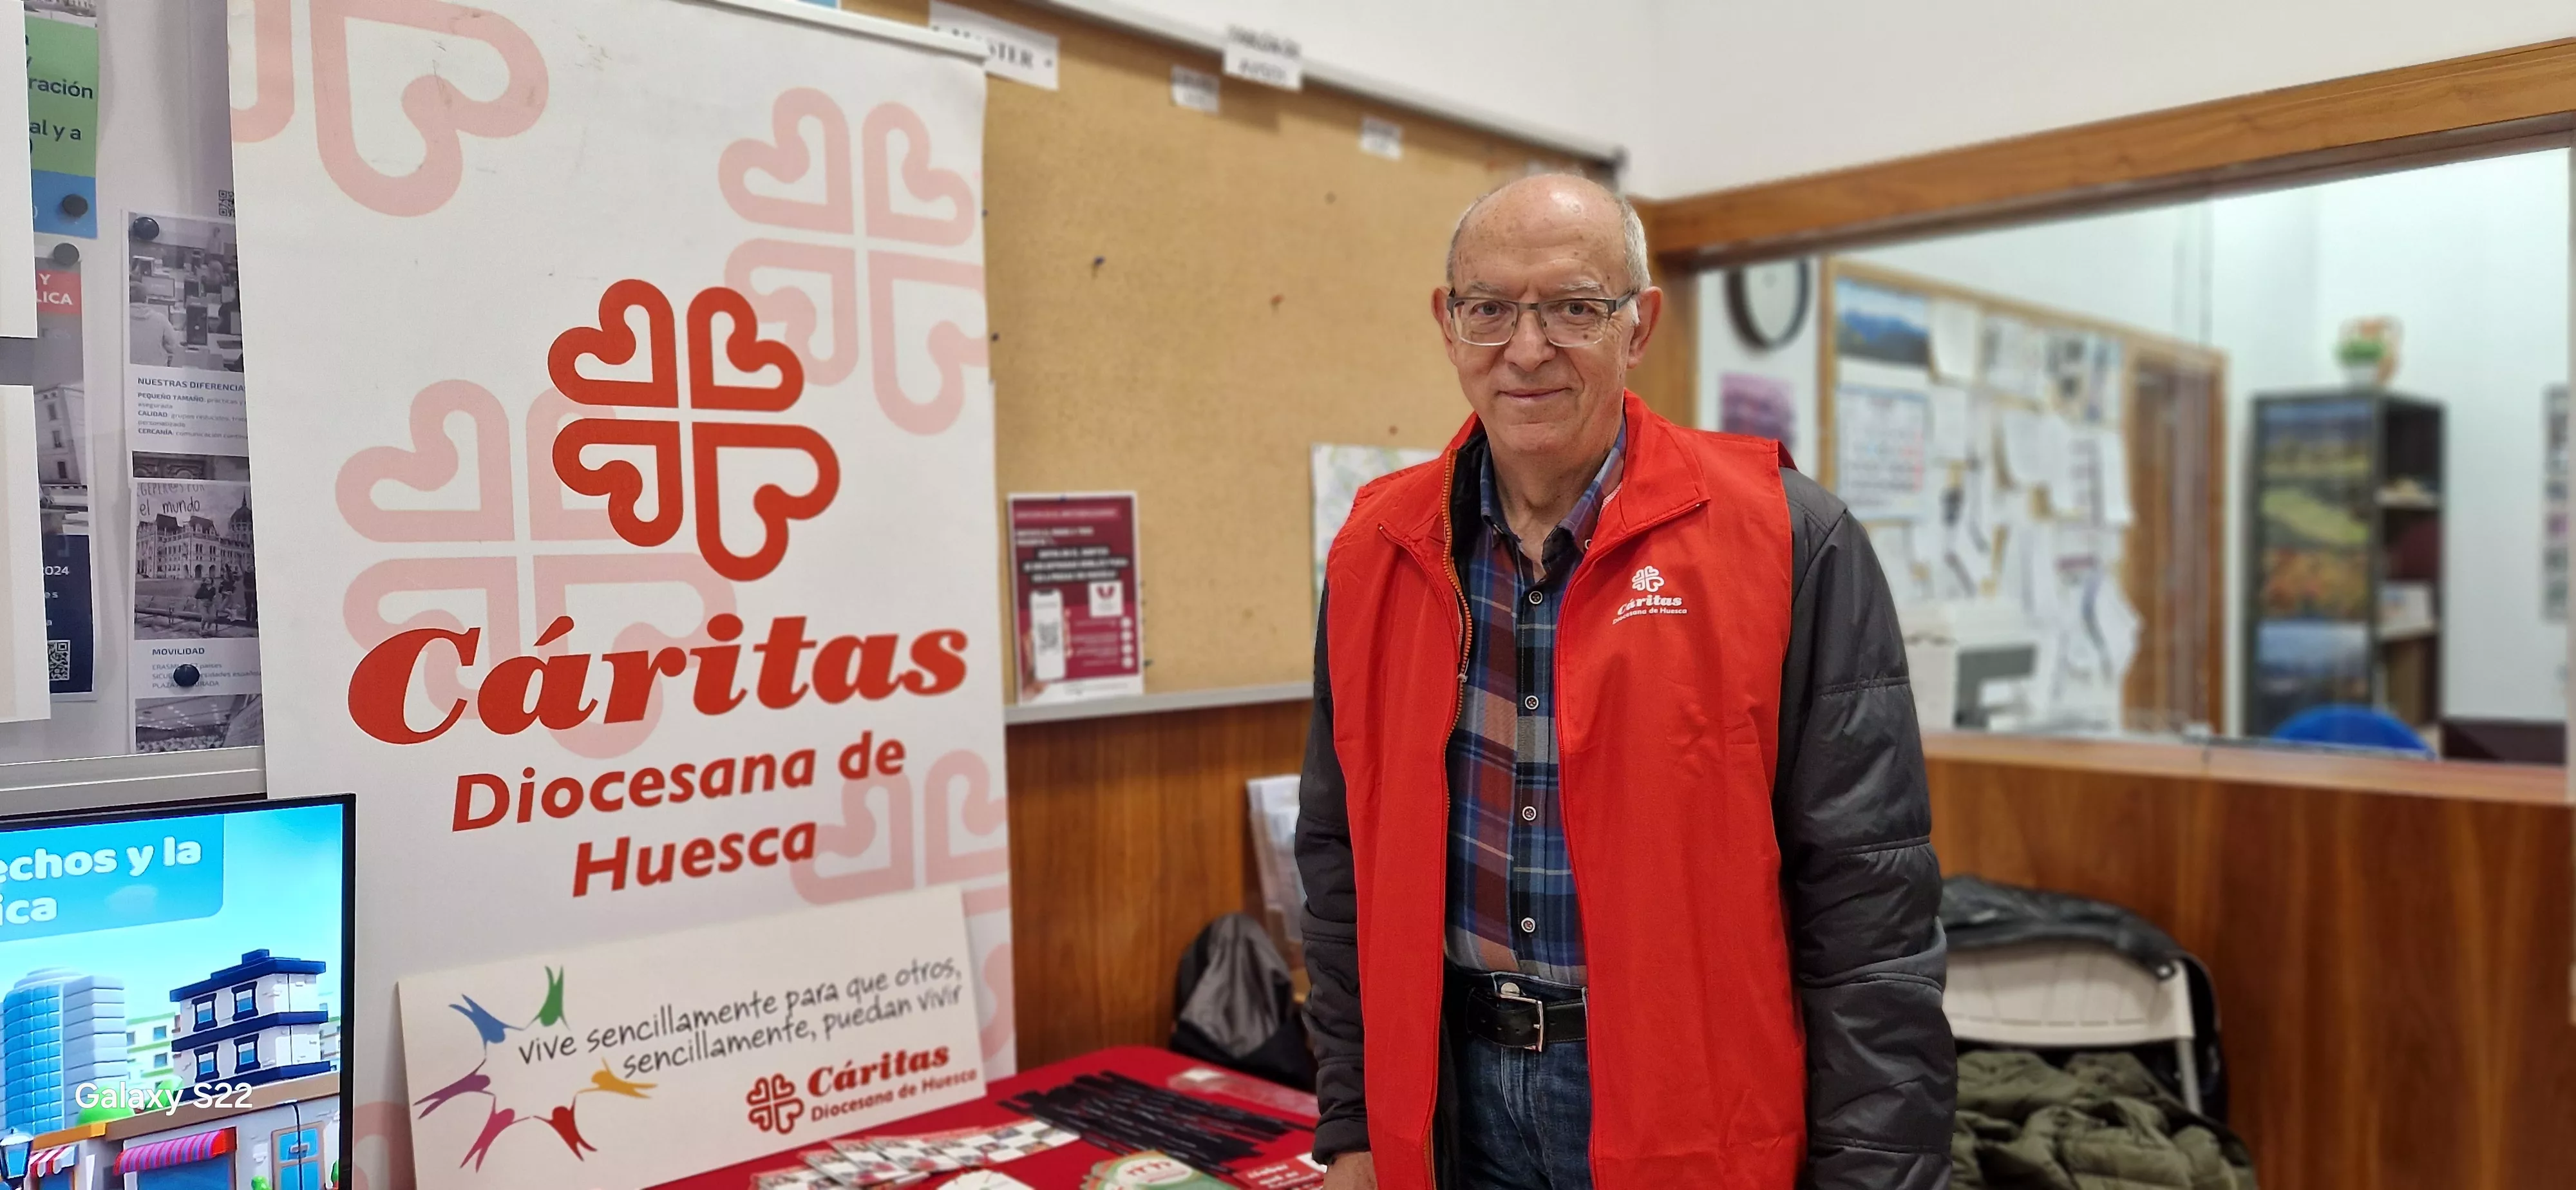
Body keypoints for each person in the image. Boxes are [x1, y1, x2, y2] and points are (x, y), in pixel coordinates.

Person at [1297, 175, 1952, 1190]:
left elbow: (1871, 914)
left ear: (1638, 325)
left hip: (1692, 1113)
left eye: (1573, 307)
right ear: (1448, 321)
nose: (1526, 349)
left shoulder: (1788, 539)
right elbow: (1340, 863)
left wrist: (1874, 1174)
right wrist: (1349, 1121)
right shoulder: (1375, 549)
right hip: (1444, 1105)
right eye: (1491, 308)